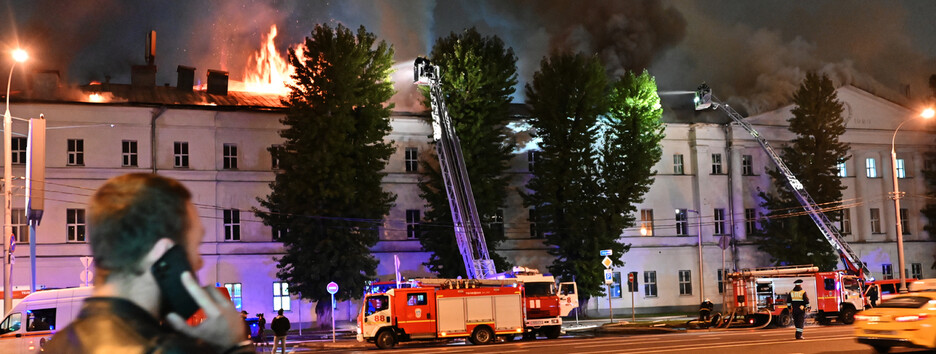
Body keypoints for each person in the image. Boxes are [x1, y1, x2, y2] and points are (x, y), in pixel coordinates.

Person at [46, 173, 252, 353]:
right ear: (162, 254)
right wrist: (233, 346)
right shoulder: (167, 350)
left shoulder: (58, 345)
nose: (198, 263)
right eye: (195, 247)